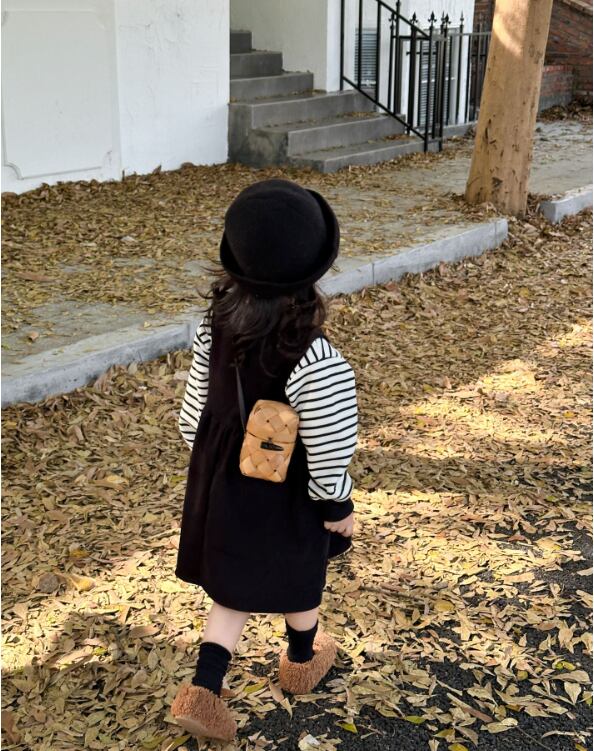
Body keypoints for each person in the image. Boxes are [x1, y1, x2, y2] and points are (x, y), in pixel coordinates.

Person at [170, 178, 358, 742]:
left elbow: (195, 409)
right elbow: (330, 441)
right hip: (285, 493)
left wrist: (212, 466)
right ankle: (302, 659)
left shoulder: (216, 323)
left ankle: (204, 690)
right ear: (314, 270)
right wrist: (336, 504)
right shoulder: (315, 357)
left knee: (234, 585)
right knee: (298, 575)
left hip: (225, 484)